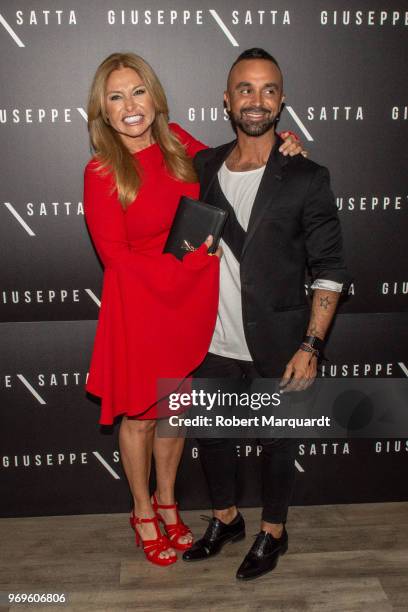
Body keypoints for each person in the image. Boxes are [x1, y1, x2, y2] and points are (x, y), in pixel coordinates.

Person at [84, 52, 302, 567]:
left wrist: (282, 146)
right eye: (116, 97)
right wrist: (183, 271)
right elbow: (114, 259)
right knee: (140, 417)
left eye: (138, 91)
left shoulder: (180, 141)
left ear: (155, 98)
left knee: (174, 415)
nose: (130, 105)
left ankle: (168, 503)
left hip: (185, 307)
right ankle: (141, 512)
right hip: (139, 306)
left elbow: (237, 161)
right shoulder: (101, 171)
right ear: (104, 112)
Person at [183, 48, 350, 580]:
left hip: (278, 338)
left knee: (278, 442)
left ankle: (273, 531)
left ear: (282, 102)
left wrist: (312, 345)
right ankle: (226, 519)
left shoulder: (307, 176)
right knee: (212, 437)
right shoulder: (201, 165)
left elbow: (329, 269)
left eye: (268, 89)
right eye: (245, 89)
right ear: (226, 100)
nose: (256, 100)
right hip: (209, 337)